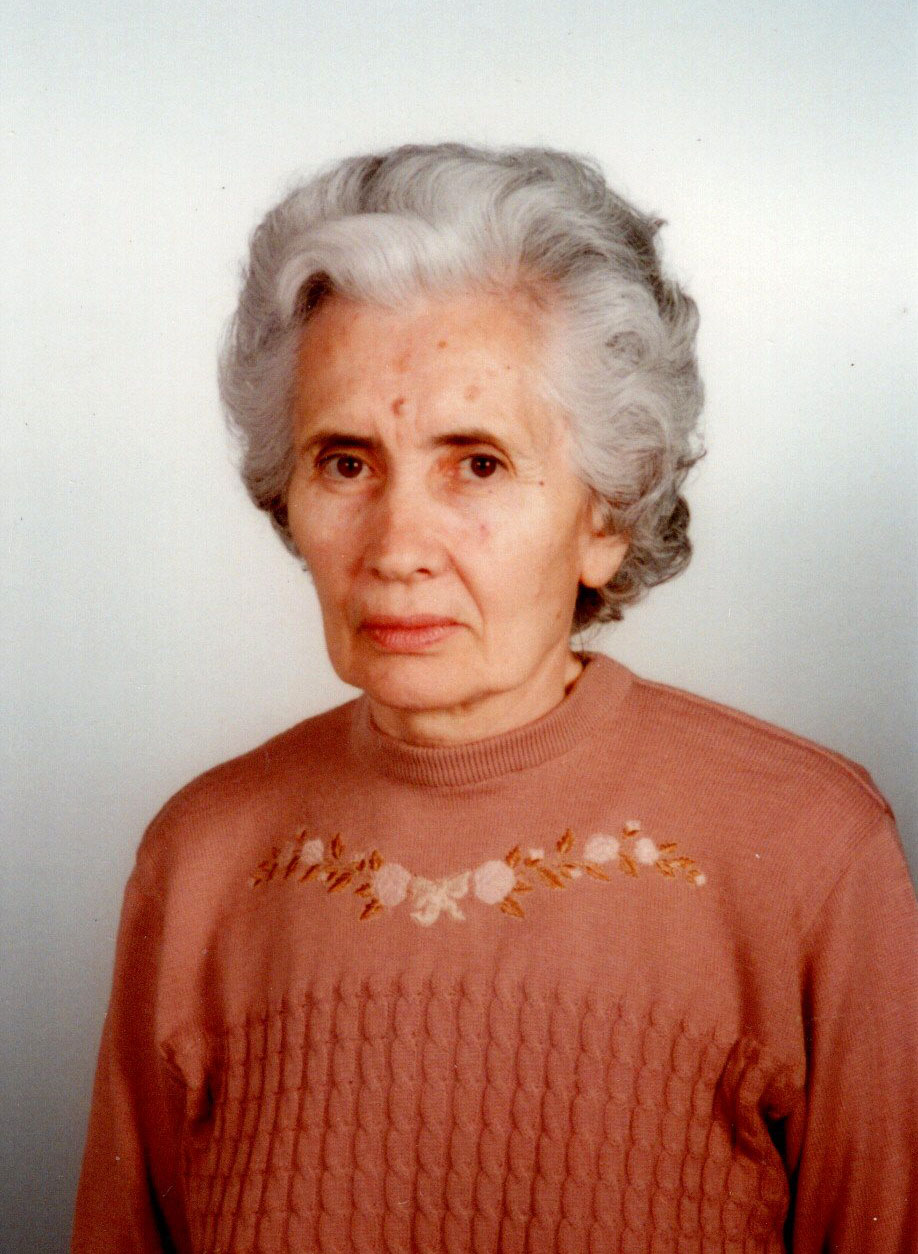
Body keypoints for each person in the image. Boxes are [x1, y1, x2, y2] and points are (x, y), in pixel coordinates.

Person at [72, 144, 917, 1253]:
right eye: (345, 462)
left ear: (606, 515)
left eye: (476, 463)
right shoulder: (200, 862)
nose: (397, 547)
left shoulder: (811, 850)